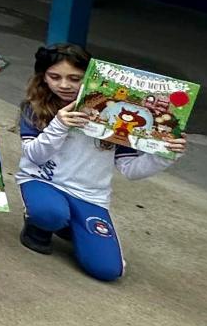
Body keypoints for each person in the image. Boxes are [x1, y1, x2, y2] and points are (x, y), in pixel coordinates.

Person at [16, 42, 183, 282]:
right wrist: (60, 125)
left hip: (90, 195)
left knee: (108, 270)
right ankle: (39, 226)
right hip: (43, 181)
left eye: (75, 78)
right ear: (43, 78)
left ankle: (70, 225)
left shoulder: (116, 116)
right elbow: (35, 156)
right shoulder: (35, 108)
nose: (64, 85)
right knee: (49, 212)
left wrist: (166, 153)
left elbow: (131, 171)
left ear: (92, 79)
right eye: (55, 76)